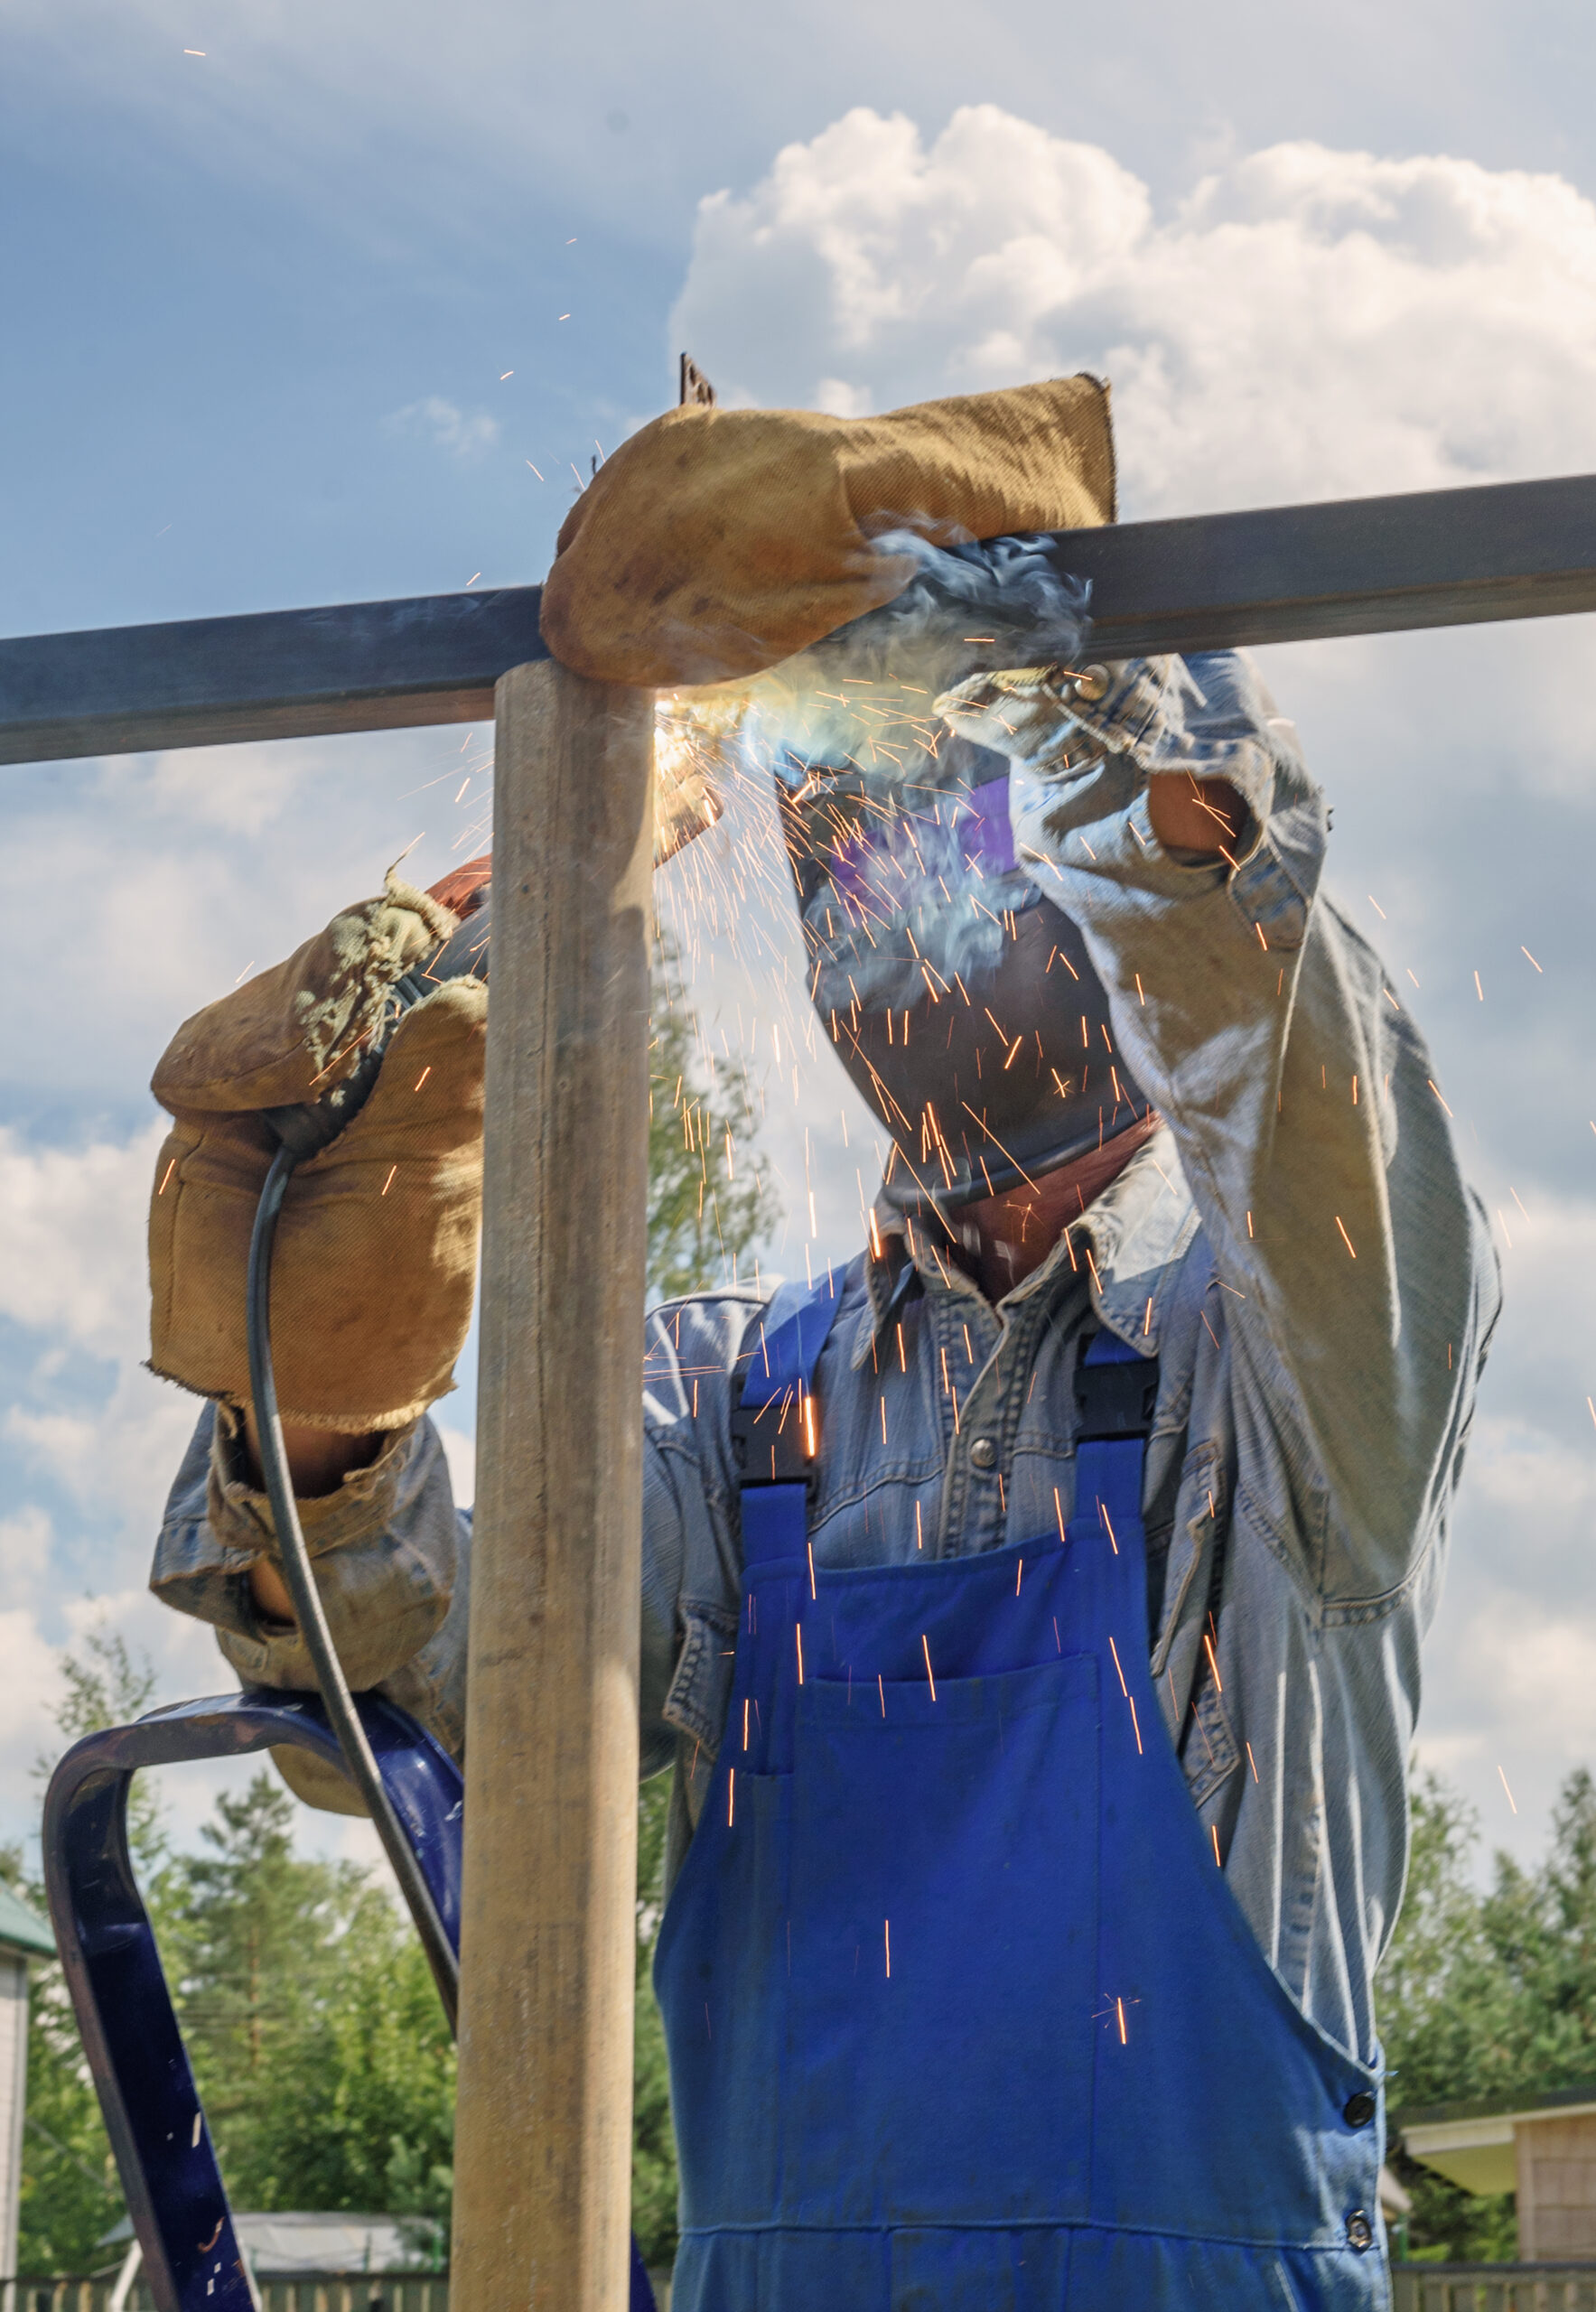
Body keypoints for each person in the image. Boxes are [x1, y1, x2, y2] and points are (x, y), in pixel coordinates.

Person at [146, 385, 1498, 2309]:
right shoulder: (721, 1403)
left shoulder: (1279, 1348)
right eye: (824, 821)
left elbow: (1266, 1014)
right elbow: (440, 1717)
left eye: (907, 793)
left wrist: (1041, 653)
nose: (868, 879)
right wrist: (328, 1418)